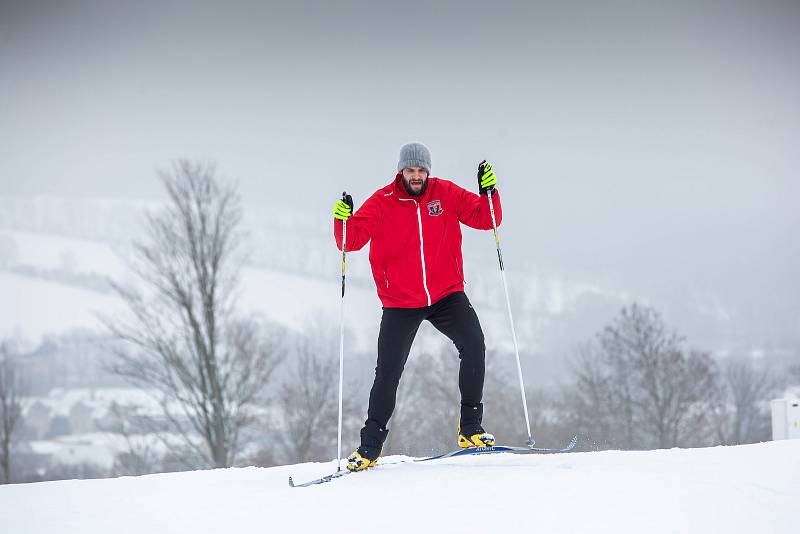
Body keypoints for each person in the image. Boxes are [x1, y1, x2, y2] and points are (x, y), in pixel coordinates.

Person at [332, 142, 501, 471]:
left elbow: (487, 219)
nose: (417, 176)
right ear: (401, 171)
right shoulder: (382, 202)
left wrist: (489, 192)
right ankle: (370, 446)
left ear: (428, 171)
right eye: (410, 170)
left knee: (475, 344)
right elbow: (350, 242)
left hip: (445, 293)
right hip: (401, 301)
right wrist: (342, 220)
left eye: (421, 170)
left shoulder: (446, 193)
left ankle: (470, 429)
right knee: (388, 372)